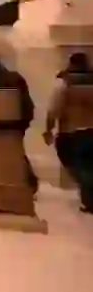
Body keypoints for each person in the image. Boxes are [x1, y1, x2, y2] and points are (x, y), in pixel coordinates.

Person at [0, 53, 38, 195]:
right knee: (17, 150)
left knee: (4, 152)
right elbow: (26, 100)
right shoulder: (16, 77)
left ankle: (18, 182)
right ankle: (30, 183)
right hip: (18, 120)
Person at [46, 53, 93, 213]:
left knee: (78, 167)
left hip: (72, 132)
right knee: (87, 166)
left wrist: (48, 129)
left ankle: (89, 200)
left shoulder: (64, 83)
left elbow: (53, 110)